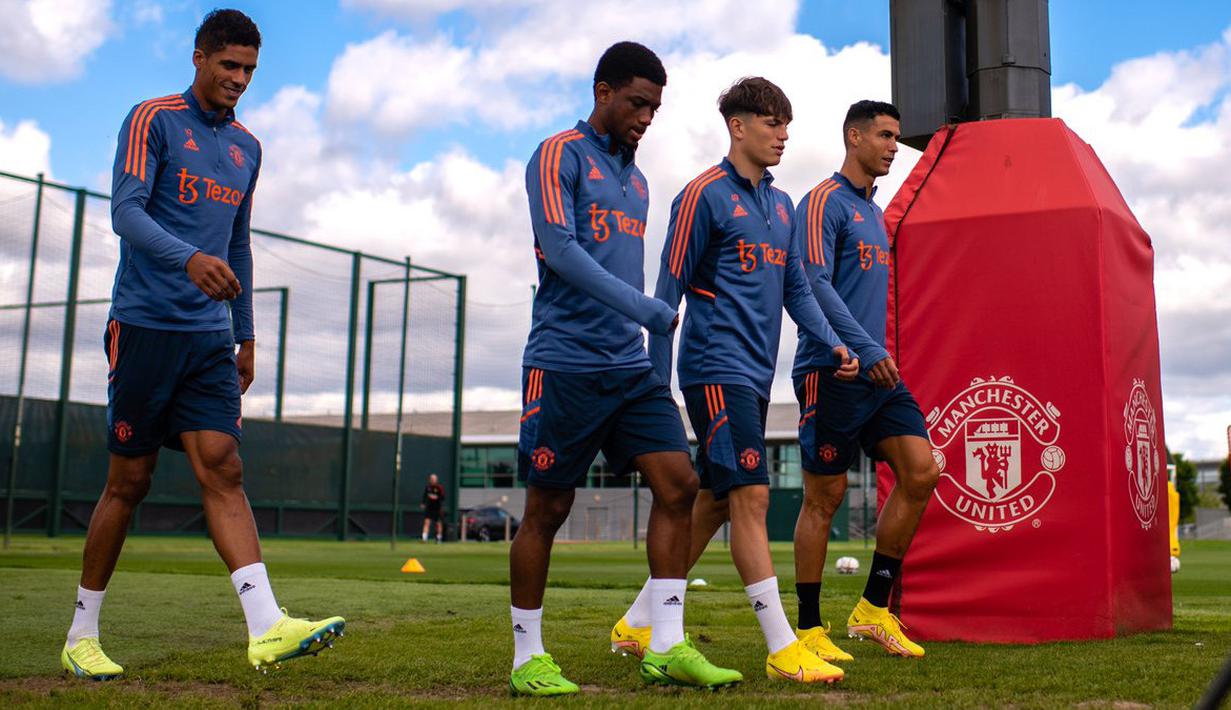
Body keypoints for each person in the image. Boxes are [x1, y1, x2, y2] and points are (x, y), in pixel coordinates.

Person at [61, 9, 344, 680]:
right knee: (128, 482)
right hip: (144, 326)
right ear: (198, 58)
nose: (240, 80)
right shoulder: (152, 119)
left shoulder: (249, 148)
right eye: (229, 66)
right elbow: (126, 211)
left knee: (223, 467)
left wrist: (244, 333)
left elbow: (238, 242)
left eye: (249, 70)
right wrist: (188, 260)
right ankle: (81, 634)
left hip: (208, 339)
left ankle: (266, 625)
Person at [510, 42, 741, 696]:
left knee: (679, 486)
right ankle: (527, 658)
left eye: (655, 107)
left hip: (630, 370)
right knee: (546, 510)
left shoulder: (637, 181)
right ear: (603, 91)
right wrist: (644, 308)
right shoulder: (558, 154)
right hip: (564, 365)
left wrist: (653, 334)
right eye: (637, 102)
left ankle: (664, 645)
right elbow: (558, 251)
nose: (646, 117)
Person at [617, 77, 858, 685]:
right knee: (752, 495)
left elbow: (797, 291)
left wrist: (833, 344)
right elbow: (666, 293)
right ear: (738, 126)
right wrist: (656, 386)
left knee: (719, 498)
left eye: (787, 126)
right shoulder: (702, 195)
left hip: (755, 375)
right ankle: (782, 646)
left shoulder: (781, 206)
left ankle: (637, 620)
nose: (782, 136)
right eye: (772, 123)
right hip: (712, 368)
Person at [790, 100, 939, 659]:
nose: (893, 147)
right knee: (823, 499)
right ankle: (808, 627)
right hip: (831, 369)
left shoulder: (876, 214)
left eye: (896, 137)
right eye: (883, 135)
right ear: (853, 136)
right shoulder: (822, 202)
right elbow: (814, 282)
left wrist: (877, 351)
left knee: (921, 472)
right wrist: (863, 346)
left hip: (878, 373)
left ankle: (873, 610)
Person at [421, 473, 445, 542]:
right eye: (431, 479)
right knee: (426, 522)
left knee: (438, 524)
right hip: (429, 508)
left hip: (437, 508)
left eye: (434, 479)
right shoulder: (428, 487)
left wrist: (436, 497)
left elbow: (443, 497)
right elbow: (425, 496)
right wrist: (423, 503)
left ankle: (439, 538)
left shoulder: (439, 488)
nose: (432, 480)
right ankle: (424, 538)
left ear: (436, 480)